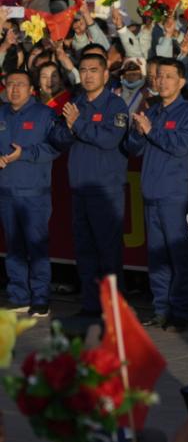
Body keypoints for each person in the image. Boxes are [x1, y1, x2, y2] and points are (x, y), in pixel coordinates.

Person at [51, 53, 129, 316]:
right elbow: (60, 137)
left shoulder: (115, 106)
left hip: (106, 190)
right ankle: (90, 304)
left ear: (106, 75)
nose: (87, 75)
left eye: (93, 70)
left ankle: (113, 309)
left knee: (108, 252)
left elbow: (109, 140)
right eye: (83, 70)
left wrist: (78, 124)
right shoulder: (75, 103)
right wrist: (72, 125)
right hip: (80, 189)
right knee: (84, 251)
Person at [126, 58, 188, 331]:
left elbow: (182, 146)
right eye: (158, 76)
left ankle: (181, 312)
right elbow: (135, 149)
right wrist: (139, 130)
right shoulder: (153, 112)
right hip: (151, 194)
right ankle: (160, 309)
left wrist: (151, 130)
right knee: (156, 256)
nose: (162, 81)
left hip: (176, 195)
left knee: (179, 257)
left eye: (169, 76)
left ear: (181, 81)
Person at [0, 71, 60, 316]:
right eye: (10, 84)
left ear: (31, 89)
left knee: (36, 246)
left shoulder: (45, 114)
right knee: (13, 246)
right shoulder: (1, 112)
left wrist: (23, 154)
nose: (14, 89)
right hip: (6, 190)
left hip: (35, 192)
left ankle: (40, 297)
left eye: (20, 85)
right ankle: (19, 295)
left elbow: (54, 148)